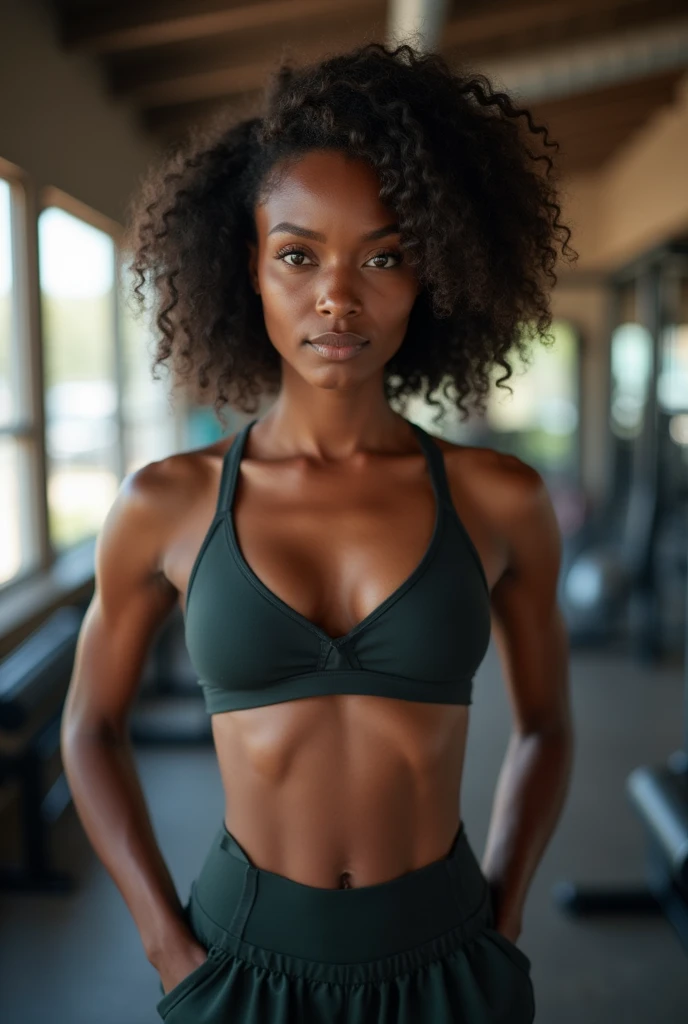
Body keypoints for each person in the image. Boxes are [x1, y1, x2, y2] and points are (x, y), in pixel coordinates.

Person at [61, 42, 575, 1024]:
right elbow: (89, 727)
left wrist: (502, 919)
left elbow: (547, 723)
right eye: (298, 255)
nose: (338, 297)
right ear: (245, 268)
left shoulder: (497, 498)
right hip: (236, 961)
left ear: (434, 272)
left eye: (383, 256)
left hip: (449, 957)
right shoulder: (164, 504)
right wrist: (169, 948)